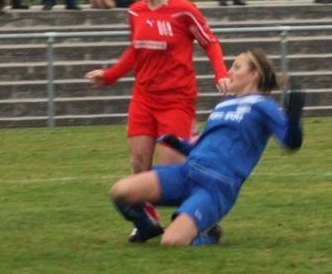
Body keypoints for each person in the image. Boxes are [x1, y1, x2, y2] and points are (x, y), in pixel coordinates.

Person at [85, 0, 231, 242]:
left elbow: (210, 42)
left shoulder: (184, 10)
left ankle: (202, 218)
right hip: (144, 97)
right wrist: (110, 75)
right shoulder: (135, 11)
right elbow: (135, 50)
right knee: (139, 162)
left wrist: (221, 74)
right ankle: (146, 222)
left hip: (177, 99)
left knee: (171, 170)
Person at [109, 49, 304, 246]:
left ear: (254, 74)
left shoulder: (264, 106)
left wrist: (294, 117)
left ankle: (209, 235)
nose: (229, 72)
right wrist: (179, 144)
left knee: (172, 242)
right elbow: (203, 147)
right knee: (120, 192)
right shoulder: (224, 104)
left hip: (215, 187)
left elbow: (291, 142)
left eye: (236, 67)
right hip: (187, 172)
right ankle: (146, 228)